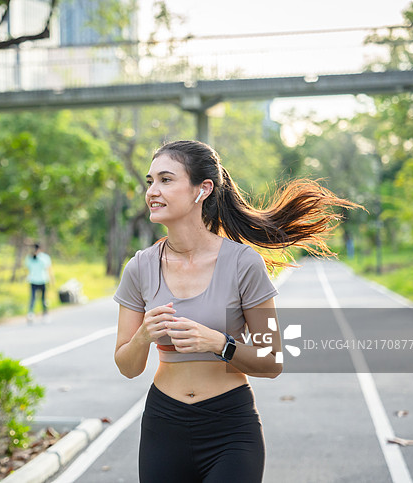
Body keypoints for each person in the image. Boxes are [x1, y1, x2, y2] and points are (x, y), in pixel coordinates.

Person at [114, 140, 358, 482]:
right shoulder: (140, 267)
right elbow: (127, 366)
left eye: (165, 180)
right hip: (163, 424)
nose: (152, 191)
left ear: (203, 189)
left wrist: (218, 343)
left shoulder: (243, 263)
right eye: (149, 181)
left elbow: (272, 362)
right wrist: (142, 336)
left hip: (229, 429)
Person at [26, 243, 54, 323]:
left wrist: (52, 280)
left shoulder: (44, 257)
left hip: (43, 280)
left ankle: (45, 314)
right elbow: (28, 267)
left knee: (43, 299)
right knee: (33, 298)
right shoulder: (29, 258)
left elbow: (48, 268)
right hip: (33, 280)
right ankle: (30, 314)